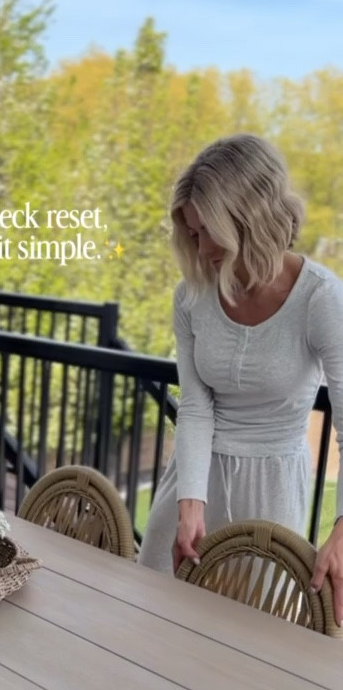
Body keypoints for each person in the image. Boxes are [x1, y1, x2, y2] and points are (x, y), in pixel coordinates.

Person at [137, 133, 343, 624]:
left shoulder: (321, 299)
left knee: (249, 653)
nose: (202, 247)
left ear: (250, 219)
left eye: (210, 230)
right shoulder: (192, 295)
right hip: (191, 487)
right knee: (154, 633)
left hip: (271, 500)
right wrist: (190, 504)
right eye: (192, 232)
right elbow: (195, 407)